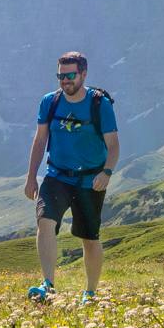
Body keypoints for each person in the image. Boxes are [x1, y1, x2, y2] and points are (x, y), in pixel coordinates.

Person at [23, 49, 117, 304]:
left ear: (84, 74)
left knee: (90, 238)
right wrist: (32, 176)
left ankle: (90, 292)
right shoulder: (49, 102)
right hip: (57, 176)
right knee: (45, 221)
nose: (65, 81)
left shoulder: (100, 104)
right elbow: (40, 139)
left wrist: (106, 172)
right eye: (60, 76)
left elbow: (113, 145)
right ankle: (48, 284)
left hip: (89, 179)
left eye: (70, 75)